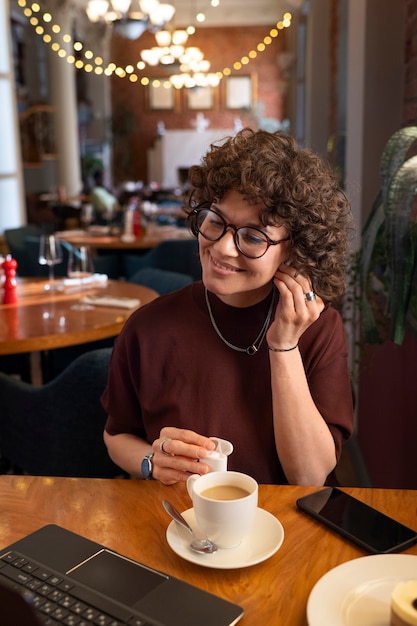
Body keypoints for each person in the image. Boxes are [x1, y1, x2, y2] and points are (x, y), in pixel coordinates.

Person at [102, 128, 354, 486]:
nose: (222, 248)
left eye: (253, 236)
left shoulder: (319, 328)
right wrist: (149, 462)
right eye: (216, 221)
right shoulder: (148, 326)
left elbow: (309, 475)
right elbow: (116, 436)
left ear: (296, 252)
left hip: (283, 528)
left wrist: (284, 345)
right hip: (180, 524)